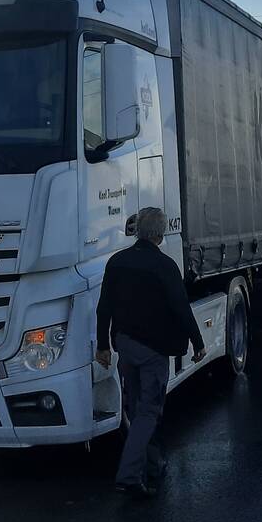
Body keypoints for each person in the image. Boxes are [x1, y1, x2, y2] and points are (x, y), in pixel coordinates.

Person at [95, 207, 207, 499]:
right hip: (154, 349)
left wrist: (103, 345)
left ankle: (154, 464)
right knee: (149, 411)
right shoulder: (165, 266)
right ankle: (129, 476)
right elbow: (181, 309)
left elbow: (104, 307)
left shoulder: (116, 262)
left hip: (126, 346)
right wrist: (198, 342)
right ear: (159, 234)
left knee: (134, 409)